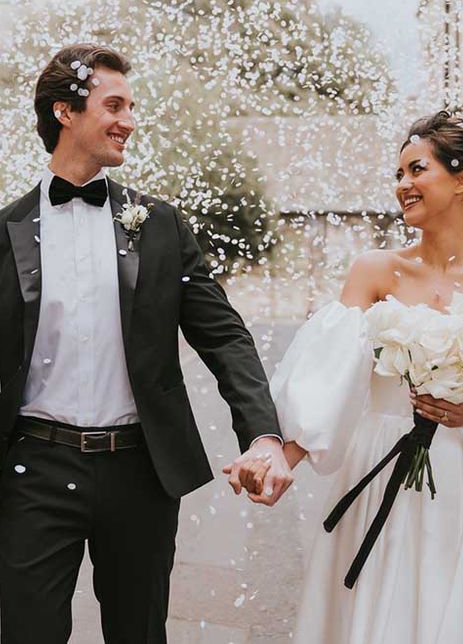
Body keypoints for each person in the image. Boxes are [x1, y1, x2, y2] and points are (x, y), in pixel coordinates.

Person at [0, 43, 293, 644]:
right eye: (114, 105)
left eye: (132, 106)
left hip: (140, 469)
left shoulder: (160, 225)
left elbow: (225, 337)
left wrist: (263, 434)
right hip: (32, 470)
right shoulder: (5, 232)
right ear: (65, 112)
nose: (129, 120)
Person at [261, 111, 463, 643]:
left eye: (416, 170)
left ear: (462, 181)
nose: (402, 186)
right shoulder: (374, 270)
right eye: (398, 175)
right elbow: (331, 380)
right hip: (376, 461)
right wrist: (282, 454)